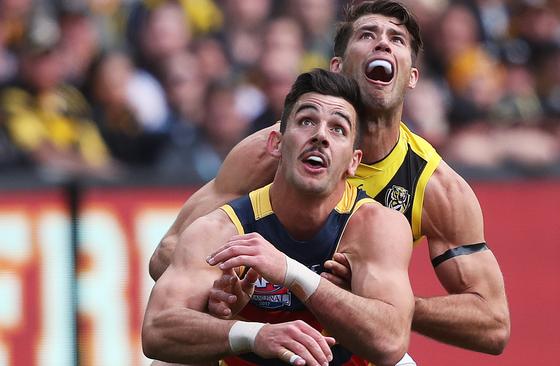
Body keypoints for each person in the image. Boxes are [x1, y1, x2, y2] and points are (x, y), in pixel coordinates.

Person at [149, 0, 510, 356]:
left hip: (352, 343)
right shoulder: (272, 150)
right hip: (261, 341)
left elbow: (493, 324)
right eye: (367, 34)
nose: (383, 43)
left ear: (412, 76)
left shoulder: (433, 185)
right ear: (337, 66)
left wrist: (390, 306)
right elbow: (166, 256)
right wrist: (223, 289)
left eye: (397, 39)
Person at [142, 69, 415, 366]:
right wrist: (254, 334)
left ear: (353, 162)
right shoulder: (223, 227)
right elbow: (156, 330)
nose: (320, 135)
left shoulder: (375, 225)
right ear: (276, 143)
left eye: (338, 129)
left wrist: (291, 272)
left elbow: (391, 342)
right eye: (307, 121)